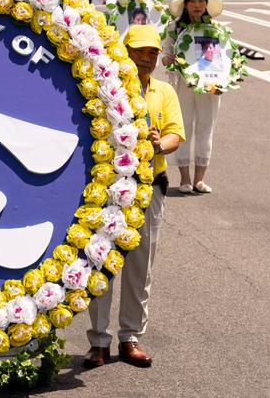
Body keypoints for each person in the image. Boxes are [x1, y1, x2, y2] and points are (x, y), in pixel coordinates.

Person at [85, 23, 184, 369]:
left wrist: (160, 144)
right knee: (101, 262)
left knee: (140, 265)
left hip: (149, 187)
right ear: (124, 53)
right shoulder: (106, 89)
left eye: (152, 53)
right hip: (107, 191)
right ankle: (98, 340)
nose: (145, 59)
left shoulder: (164, 92)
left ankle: (131, 337)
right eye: (139, 51)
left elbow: (175, 135)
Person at [163, 0, 227, 194]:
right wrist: (168, 58)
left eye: (202, 2)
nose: (198, 6)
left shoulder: (216, 28)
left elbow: (225, 57)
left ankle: (200, 179)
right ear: (186, 4)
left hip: (209, 85)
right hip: (183, 84)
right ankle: (185, 179)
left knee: (206, 128)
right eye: (193, 1)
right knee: (184, 127)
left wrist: (224, 80)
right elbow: (164, 55)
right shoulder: (174, 28)